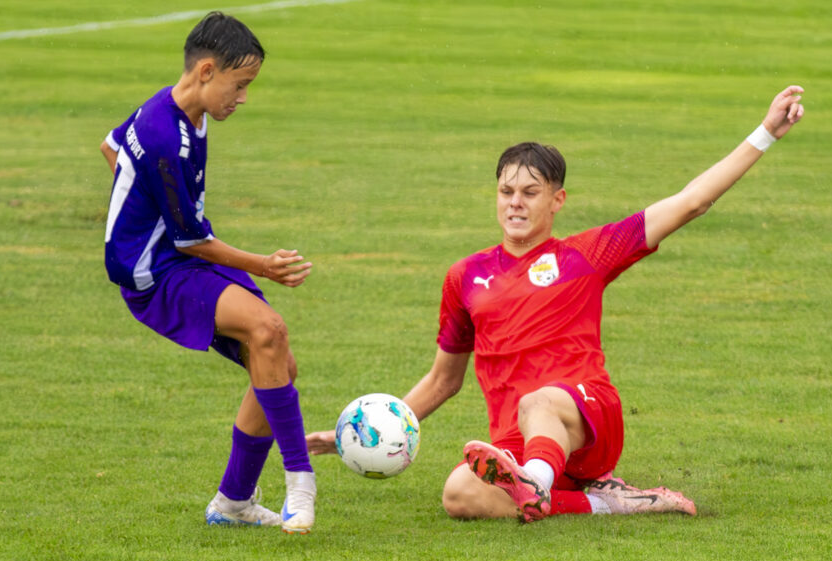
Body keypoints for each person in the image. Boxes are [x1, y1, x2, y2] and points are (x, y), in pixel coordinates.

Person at [307, 85, 805, 522]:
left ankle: (538, 482)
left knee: (538, 400)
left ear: (557, 200)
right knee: (458, 494)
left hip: (586, 418)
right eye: (506, 191)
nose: (515, 202)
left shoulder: (587, 255)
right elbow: (444, 380)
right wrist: (365, 431)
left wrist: (765, 133)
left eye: (530, 192)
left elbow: (691, 201)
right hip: (518, 440)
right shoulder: (464, 276)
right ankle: (605, 502)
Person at [99, 11, 317, 534]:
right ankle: (301, 481)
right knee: (269, 330)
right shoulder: (164, 138)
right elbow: (191, 240)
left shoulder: (174, 108)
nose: (242, 98)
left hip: (181, 258)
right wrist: (263, 266)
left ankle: (233, 502)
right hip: (157, 274)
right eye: (239, 85)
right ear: (205, 71)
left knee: (277, 363)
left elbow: (111, 146)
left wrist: (140, 208)